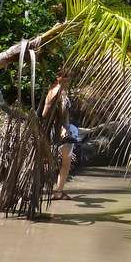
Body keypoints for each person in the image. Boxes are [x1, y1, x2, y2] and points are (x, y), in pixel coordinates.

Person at [42, 70, 79, 201]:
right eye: (66, 77)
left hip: (59, 130)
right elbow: (49, 114)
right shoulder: (57, 92)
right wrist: (63, 127)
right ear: (58, 77)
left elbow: (47, 114)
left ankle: (56, 190)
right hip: (61, 131)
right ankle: (58, 192)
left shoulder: (55, 91)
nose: (68, 80)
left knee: (58, 161)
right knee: (65, 162)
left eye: (69, 77)